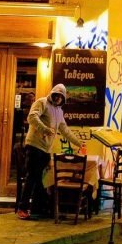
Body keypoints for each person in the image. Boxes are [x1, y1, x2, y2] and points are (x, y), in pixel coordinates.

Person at [16, 84, 84, 220]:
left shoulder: (59, 112)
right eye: (56, 95)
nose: (58, 98)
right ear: (52, 94)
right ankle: (22, 208)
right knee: (32, 177)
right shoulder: (41, 102)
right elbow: (31, 117)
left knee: (41, 180)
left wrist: (79, 143)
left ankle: (37, 209)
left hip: (45, 149)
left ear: (64, 98)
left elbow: (65, 130)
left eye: (61, 96)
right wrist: (45, 129)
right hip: (34, 146)